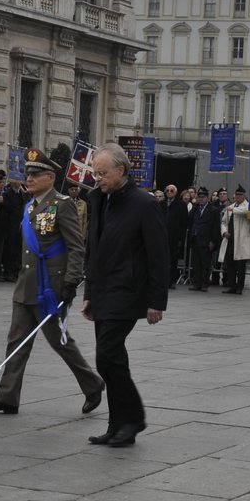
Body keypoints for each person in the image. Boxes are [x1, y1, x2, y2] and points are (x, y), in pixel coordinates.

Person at [0, 148, 106, 416]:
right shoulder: (29, 206)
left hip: (50, 288)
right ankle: (7, 397)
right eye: (28, 174)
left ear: (50, 178)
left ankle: (92, 384)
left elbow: (76, 246)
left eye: (36, 174)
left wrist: (71, 282)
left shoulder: (63, 204)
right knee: (16, 342)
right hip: (26, 285)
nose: (29, 178)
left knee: (60, 342)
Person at [82, 143, 169, 447]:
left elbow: (159, 255)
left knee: (106, 356)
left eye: (103, 173)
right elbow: (93, 249)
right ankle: (118, 424)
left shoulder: (144, 204)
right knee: (112, 360)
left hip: (128, 291)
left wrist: (157, 301)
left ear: (121, 170)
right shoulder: (98, 200)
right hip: (103, 290)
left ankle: (133, 419)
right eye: (95, 173)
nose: (97, 178)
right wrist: (89, 291)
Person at [219, 185, 250, 294]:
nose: (238, 196)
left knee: (240, 266)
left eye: (240, 195)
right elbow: (223, 222)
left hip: (241, 240)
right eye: (236, 195)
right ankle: (231, 285)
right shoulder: (231, 207)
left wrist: (232, 208)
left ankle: (239, 287)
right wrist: (224, 232)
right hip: (231, 239)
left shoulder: (247, 205)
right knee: (230, 264)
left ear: (244, 196)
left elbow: (244, 211)